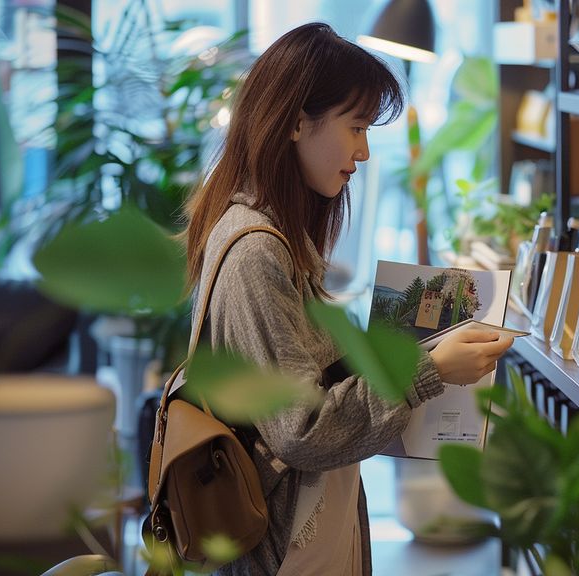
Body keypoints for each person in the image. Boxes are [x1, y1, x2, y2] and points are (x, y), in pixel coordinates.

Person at [182, 22, 514, 576]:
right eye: (355, 127)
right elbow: (302, 428)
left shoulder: (281, 237)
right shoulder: (256, 250)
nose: (362, 151)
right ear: (294, 122)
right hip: (285, 547)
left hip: (309, 531)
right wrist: (428, 369)